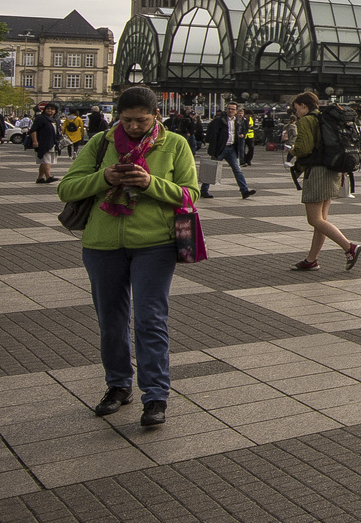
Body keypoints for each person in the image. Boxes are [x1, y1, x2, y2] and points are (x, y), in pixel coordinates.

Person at [57, 84, 196, 427]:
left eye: (141, 120)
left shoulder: (174, 144)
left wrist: (150, 183)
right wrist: (103, 177)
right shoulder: (101, 143)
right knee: (111, 321)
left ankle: (155, 395)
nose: (133, 127)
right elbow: (66, 188)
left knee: (150, 319)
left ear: (156, 116)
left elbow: (190, 194)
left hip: (155, 243)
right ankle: (118, 385)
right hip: (103, 244)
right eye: (127, 120)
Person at [287, 91, 360, 271]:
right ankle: (311, 260)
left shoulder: (306, 121)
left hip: (317, 172)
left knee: (314, 219)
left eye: (297, 109)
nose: (296, 113)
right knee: (322, 219)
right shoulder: (324, 118)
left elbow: (304, 148)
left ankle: (349, 247)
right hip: (332, 170)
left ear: (304, 106)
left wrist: (293, 149)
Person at [203, 102, 256, 200]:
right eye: (229, 108)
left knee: (237, 169)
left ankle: (244, 190)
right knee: (212, 168)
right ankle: (204, 190)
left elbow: (243, 130)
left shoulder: (238, 121)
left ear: (236, 111)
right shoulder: (219, 120)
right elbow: (212, 134)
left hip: (232, 148)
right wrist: (213, 148)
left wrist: (242, 135)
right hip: (221, 148)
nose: (230, 111)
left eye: (233, 109)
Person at [27, 103, 62, 183]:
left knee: (47, 161)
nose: (50, 110)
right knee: (46, 160)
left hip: (52, 142)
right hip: (43, 142)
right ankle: (48, 176)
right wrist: (35, 141)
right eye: (48, 109)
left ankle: (40, 178)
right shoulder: (41, 118)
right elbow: (33, 130)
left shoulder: (55, 119)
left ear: (55, 111)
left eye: (52, 109)